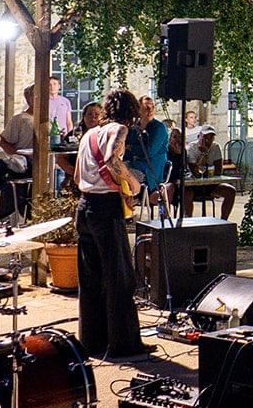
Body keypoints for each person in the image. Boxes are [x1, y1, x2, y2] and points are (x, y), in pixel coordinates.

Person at [73, 88, 154, 360]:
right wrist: (133, 183)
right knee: (119, 278)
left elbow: (76, 178)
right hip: (106, 209)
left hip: (84, 208)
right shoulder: (118, 130)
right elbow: (111, 160)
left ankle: (93, 342)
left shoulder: (88, 134)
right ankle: (124, 344)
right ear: (131, 111)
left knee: (91, 279)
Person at [0, 84, 34, 221]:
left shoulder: (47, 119)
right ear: (29, 99)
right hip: (24, 166)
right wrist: (19, 156)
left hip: (41, 166)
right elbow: (4, 142)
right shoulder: (20, 119)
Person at [125, 95, 170, 205]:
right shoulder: (134, 127)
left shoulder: (159, 128)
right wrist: (132, 150)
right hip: (135, 163)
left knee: (123, 176)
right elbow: (124, 149)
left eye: (152, 107)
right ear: (138, 110)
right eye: (146, 107)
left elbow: (149, 151)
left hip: (151, 168)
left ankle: (130, 202)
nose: (150, 110)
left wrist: (132, 148)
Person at [186, 125, 236, 219]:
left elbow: (218, 171)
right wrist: (204, 154)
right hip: (193, 185)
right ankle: (188, 222)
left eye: (211, 137)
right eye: (205, 137)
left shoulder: (216, 147)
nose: (208, 141)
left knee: (230, 191)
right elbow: (196, 172)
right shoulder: (191, 148)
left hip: (211, 185)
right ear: (199, 137)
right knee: (186, 194)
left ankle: (223, 220)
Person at [55, 100, 102, 193]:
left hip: (99, 179)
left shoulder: (105, 135)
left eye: (97, 114)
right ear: (84, 116)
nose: (93, 117)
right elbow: (61, 159)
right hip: (75, 178)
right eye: (89, 114)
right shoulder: (73, 134)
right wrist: (76, 173)